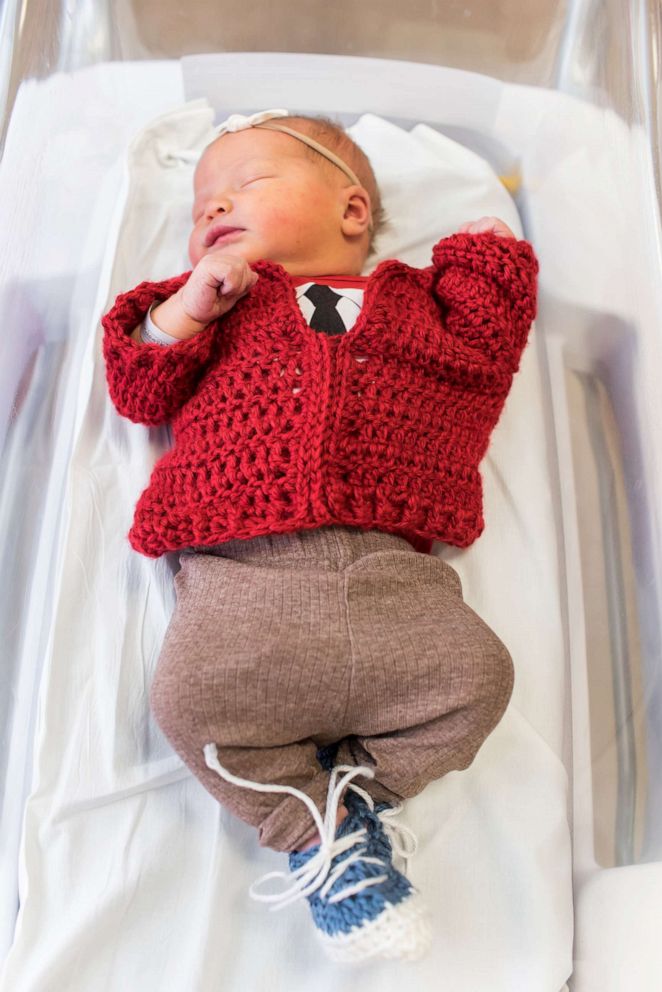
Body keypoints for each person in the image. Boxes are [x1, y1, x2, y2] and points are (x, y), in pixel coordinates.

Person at [101, 109, 539, 964]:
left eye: (247, 183)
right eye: (199, 203)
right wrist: (185, 311)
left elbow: (487, 347)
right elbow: (138, 387)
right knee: (187, 706)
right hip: (243, 577)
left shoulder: (415, 304)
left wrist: (488, 254)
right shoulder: (214, 303)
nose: (213, 205)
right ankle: (311, 828)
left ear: (349, 212)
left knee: (478, 681)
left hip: (391, 583)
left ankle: (357, 799)